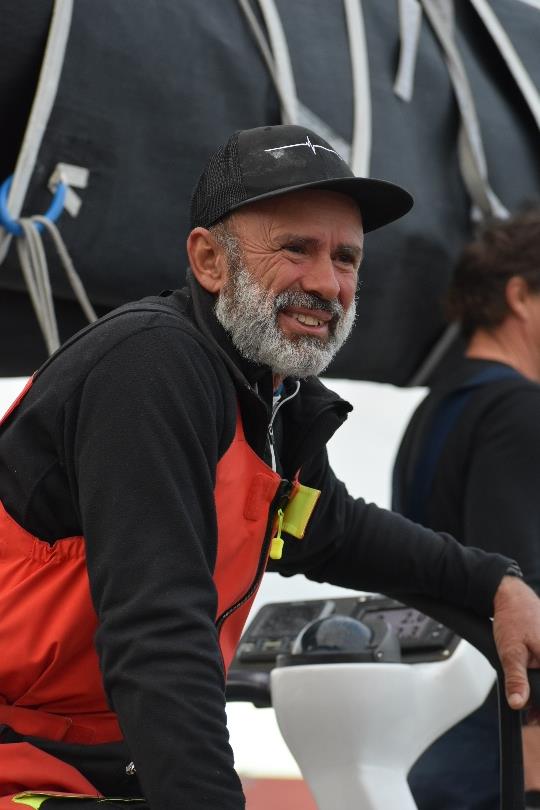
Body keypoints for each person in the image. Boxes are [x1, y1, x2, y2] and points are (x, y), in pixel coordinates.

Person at [0, 124, 539, 810]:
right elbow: (159, 629)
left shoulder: (275, 398)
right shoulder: (152, 365)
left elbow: (332, 529)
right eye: (296, 249)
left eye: (346, 258)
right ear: (209, 260)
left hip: (101, 761)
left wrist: (495, 583)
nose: (327, 283)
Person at [393, 208, 540, 810]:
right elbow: (522, 583)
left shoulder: (434, 410)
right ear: (520, 297)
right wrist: (533, 744)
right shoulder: (519, 409)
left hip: (431, 729)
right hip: (501, 742)